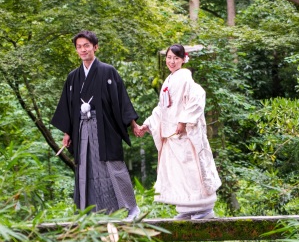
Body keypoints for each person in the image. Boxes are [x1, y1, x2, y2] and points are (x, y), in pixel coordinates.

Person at [51, 30, 140, 218]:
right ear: (76, 50)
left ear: (95, 47)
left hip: (105, 127)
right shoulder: (73, 77)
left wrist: (133, 124)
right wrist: (67, 132)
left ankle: (131, 208)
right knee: (85, 167)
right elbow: (69, 106)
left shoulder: (108, 71)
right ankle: (90, 212)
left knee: (113, 165)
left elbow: (121, 100)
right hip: (82, 128)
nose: (83, 50)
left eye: (86, 46)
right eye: (79, 47)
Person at [133, 44, 221, 220]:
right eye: (169, 58)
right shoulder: (169, 80)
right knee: (178, 174)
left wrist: (183, 121)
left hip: (185, 135)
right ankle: (186, 209)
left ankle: (203, 209)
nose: (171, 61)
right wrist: (147, 124)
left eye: (176, 58)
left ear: (183, 60)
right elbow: (162, 109)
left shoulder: (186, 78)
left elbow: (198, 98)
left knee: (192, 171)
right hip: (172, 136)